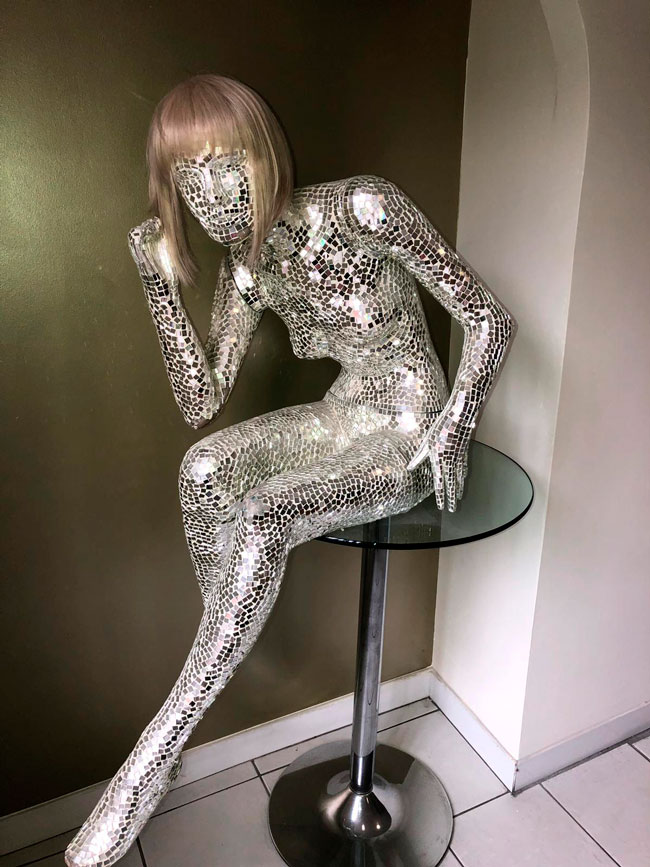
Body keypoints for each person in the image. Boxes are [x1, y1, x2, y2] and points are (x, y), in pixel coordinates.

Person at [65, 73, 514, 866]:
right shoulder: (247, 272)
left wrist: (456, 422)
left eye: (226, 163)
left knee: (266, 510)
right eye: (189, 177)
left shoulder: (363, 207)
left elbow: (489, 317)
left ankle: (152, 756)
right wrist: (156, 282)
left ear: (264, 153)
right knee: (203, 470)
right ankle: (223, 648)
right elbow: (200, 402)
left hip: (408, 424)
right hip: (345, 411)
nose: (212, 195)